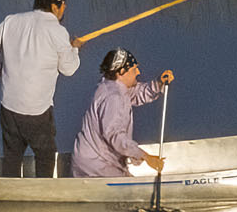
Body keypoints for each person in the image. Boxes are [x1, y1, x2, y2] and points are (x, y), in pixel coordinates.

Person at [0, 0, 79, 178]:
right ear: (54, 7)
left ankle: (10, 194)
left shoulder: (12, 21)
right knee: (46, 155)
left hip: (8, 107)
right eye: (63, 5)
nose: (64, 9)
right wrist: (74, 49)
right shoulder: (57, 31)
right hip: (37, 111)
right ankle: (41, 197)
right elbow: (69, 69)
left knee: (12, 156)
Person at [68, 46, 174, 182]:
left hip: (93, 161)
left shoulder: (111, 86)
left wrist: (158, 84)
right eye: (134, 69)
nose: (138, 72)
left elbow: (137, 94)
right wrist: (146, 157)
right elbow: (115, 135)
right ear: (121, 72)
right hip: (97, 167)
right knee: (133, 192)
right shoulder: (113, 97)